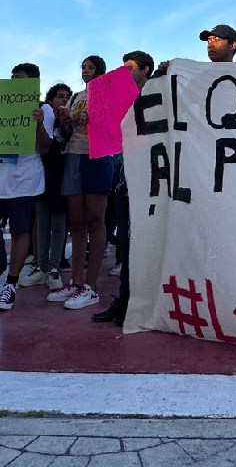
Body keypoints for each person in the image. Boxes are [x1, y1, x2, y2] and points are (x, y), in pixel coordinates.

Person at [0, 64, 53, 311]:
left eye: (20, 79)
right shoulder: (0, 106)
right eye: (12, 77)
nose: (14, 81)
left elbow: (46, 147)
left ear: (33, 82)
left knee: (19, 231)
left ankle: (10, 285)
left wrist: (37, 124)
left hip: (24, 181)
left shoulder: (44, 109)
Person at [93, 50, 154, 326]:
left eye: (130, 68)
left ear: (146, 70)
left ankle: (143, 300)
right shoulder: (117, 98)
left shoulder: (159, 95)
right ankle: (125, 299)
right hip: (123, 173)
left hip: (151, 177)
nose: (124, 73)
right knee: (127, 239)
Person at [49, 55, 114, 310]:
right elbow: (68, 134)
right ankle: (75, 282)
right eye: (83, 67)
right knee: (76, 221)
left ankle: (91, 285)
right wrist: (66, 122)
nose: (85, 71)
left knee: (95, 219)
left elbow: (113, 125)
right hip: (73, 156)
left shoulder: (107, 92)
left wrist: (94, 120)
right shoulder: (76, 97)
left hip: (98, 155)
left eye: (90, 67)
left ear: (100, 70)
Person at [22, 82, 72, 292]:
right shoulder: (43, 119)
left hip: (63, 178)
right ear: (50, 100)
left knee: (59, 225)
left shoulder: (70, 124)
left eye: (67, 97)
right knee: (42, 223)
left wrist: (67, 123)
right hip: (43, 175)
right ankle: (41, 267)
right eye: (60, 96)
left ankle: (54, 268)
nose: (63, 100)